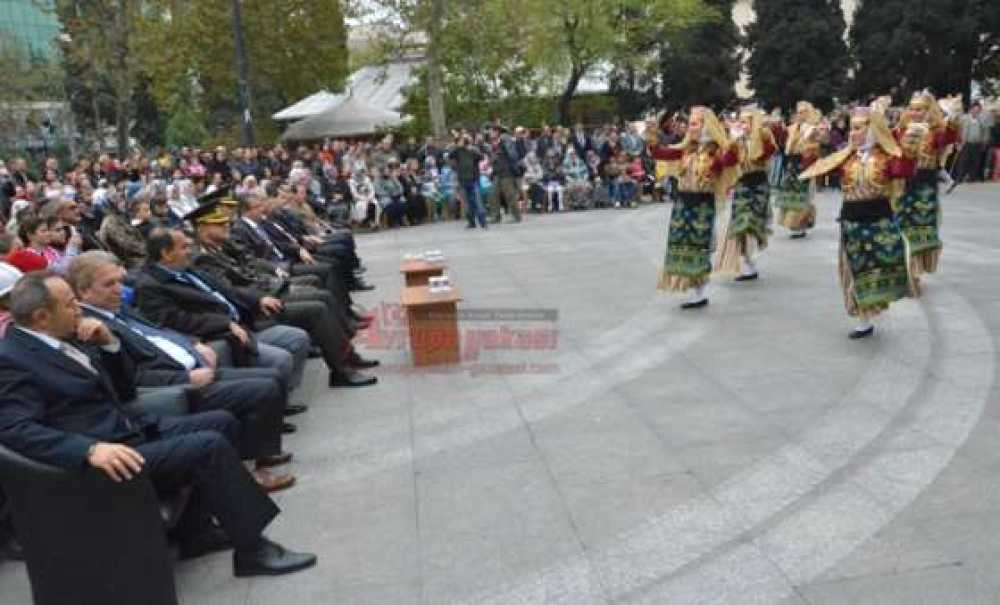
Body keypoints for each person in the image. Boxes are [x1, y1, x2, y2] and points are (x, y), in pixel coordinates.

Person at [0, 271, 317, 576]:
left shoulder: (64, 336)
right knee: (208, 447)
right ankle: (253, 551)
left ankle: (197, 532)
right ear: (42, 317)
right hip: (103, 456)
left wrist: (109, 342)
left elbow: (123, 390)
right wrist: (88, 450)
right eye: (69, 303)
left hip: (125, 428)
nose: (77, 309)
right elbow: (15, 429)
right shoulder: (12, 359)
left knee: (222, 422)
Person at [70, 251, 297, 492]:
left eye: (119, 281)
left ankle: (261, 453)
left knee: (271, 377)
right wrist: (185, 378)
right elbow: (132, 377)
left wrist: (193, 342)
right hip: (173, 386)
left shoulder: (116, 308)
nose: (118, 289)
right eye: (109, 284)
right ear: (83, 292)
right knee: (261, 389)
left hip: (191, 365)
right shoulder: (92, 329)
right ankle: (253, 471)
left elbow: (158, 331)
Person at [133, 228, 311, 394]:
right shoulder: (150, 285)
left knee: (298, 337)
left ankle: (280, 398)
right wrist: (224, 323)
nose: (189, 250)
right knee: (281, 359)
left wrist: (257, 300)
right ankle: (273, 403)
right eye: (184, 247)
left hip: (245, 322)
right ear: (166, 253)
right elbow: (176, 320)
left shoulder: (184, 269)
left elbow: (225, 290)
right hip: (221, 334)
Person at [798, 100, 916, 338]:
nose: (854, 133)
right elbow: (816, 167)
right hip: (852, 221)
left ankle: (876, 303)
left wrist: (911, 144)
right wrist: (811, 143)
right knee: (855, 270)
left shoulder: (886, 157)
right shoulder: (845, 157)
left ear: (873, 129)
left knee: (880, 265)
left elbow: (904, 169)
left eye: (860, 127)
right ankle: (864, 319)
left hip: (879, 220)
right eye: (852, 127)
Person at [653, 106, 739, 309]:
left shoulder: (715, 150)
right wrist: (651, 136)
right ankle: (694, 289)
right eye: (690, 123)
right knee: (682, 244)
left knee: (699, 245)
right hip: (683, 202)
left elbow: (731, 159)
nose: (690, 127)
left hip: (702, 203)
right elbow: (661, 153)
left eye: (694, 124)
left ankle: (699, 291)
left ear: (706, 126)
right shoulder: (686, 148)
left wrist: (733, 141)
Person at [893, 91, 960, 278]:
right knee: (900, 225)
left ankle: (917, 264)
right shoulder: (900, 131)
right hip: (903, 184)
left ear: (928, 110)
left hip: (925, 186)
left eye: (919, 109)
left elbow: (948, 137)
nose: (915, 113)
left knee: (922, 226)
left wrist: (953, 116)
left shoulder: (935, 132)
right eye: (912, 109)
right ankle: (906, 264)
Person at [716, 106, 779, 281]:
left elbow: (764, 155)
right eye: (741, 121)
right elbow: (728, 161)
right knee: (741, 225)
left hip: (759, 183)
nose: (741, 124)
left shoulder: (763, 138)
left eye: (745, 121)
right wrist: (729, 146)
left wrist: (759, 137)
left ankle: (751, 262)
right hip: (742, 184)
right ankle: (749, 264)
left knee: (754, 224)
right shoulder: (737, 141)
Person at [775, 101, 826, 239]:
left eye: (803, 112)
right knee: (791, 194)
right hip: (792, 163)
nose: (800, 114)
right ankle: (793, 223)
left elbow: (818, 144)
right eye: (798, 112)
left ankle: (801, 224)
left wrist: (809, 150)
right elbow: (784, 142)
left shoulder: (813, 128)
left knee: (803, 195)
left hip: (805, 164)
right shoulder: (793, 128)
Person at [450, 136, 487, 229]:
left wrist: (471, 149)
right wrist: (458, 146)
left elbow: (481, 157)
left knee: (477, 201)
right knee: (466, 202)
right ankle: (471, 222)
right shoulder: (457, 151)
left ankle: (483, 222)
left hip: (474, 179)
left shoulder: (473, 150)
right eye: (463, 141)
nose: (464, 143)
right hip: (462, 179)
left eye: (466, 141)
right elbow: (450, 155)